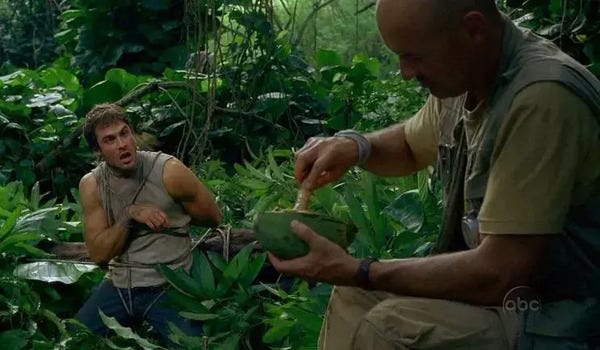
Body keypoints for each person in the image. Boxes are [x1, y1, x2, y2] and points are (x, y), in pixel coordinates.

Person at [269, 0, 600, 349]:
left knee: (391, 329)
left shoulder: (541, 100)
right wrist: (357, 147)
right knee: (355, 299)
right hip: (508, 297)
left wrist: (360, 269)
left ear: (473, 29)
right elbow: (411, 146)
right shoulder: (467, 75)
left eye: (414, 57)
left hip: (565, 315)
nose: (404, 73)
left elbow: (500, 272)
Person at [75, 103, 222, 346]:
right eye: (110, 140)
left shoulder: (169, 171)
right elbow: (99, 254)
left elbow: (213, 218)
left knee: (194, 346)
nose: (122, 144)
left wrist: (173, 220)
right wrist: (129, 216)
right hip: (119, 284)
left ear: (133, 133)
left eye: (124, 133)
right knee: (75, 339)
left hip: (168, 284)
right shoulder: (92, 184)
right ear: (97, 150)